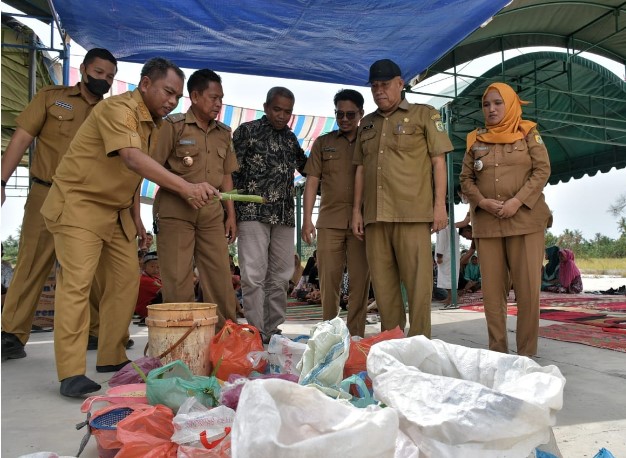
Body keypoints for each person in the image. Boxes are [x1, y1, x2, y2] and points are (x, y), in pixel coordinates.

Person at [40, 57, 219, 397]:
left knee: (125, 284)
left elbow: (135, 174)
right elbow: (131, 158)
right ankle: (70, 372)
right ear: (145, 83)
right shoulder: (118, 110)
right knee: (76, 286)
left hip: (117, 213)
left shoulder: (154, 124)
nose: (171, 100)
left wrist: (136, 218)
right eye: (167, 91)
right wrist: (186, 187)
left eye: (177, 96)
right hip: (80, 204)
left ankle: (111, 356)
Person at [1, 48, 118, 361]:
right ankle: (11, 334)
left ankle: (96, 333)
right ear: (82, 69)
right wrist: (1, 181)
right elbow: (22, 137)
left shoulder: (113, 113)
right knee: (30, 263)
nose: (103, 81)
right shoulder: (51, 98)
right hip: (47, 192)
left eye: (110, 77)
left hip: (90, 202)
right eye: (98, 73)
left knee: (92, 270)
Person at [352, 59, 453, 337]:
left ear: (400, 83)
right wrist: (356, 212)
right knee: (384, 290)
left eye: (384, 85)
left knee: (419, 288)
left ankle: (419, 345)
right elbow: (360, 169)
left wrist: (439, 206)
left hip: (413, 214)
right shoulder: (367, 124)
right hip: (375, 216)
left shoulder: (424, 115)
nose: (378, 91)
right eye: (374, 86)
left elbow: (438, 163)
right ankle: (393, 344)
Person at [460, 82, 552, 357]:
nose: (491, 109)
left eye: (498, 103)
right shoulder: (474, 140)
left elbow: (542, 169)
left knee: (527, 293)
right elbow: (466, 179)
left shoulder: (528, 133)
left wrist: (517, 201)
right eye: (487, 104)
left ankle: (526, 356)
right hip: (488, 225)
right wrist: (481, 201)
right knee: (492, 295)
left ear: (510, 104)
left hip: (525, 223)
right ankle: (497, 355)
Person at [151, 69, 239, 329]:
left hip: (212, 212)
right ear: (195, 96)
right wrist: (183, 189)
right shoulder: (173, 125)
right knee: (178, 277)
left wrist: (230, 214)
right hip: (176, 209)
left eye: (221, 98)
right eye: (213, 98)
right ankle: (182, 337)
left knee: (220, 275)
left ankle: (226, 336)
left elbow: (226, 176)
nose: (219, 104)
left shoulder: (224, 132)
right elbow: (152, 168)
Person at [232, 86, 307, 344]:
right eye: (277, 109)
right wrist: (228, 214)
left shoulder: (290, 138)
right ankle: (255, 331)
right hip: (252, 212)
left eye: (287, 112)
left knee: (281, 276)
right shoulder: (246, 132)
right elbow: (230, 173)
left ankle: (273, 330)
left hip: (284, 215)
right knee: (253, 275)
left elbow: (308, 167)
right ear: (266, 107)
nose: (282, 116)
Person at [302, 89, 371, 337]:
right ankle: (329, 334)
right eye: (340, 114)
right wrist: (306, 219)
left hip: (361, 222)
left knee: (359, 283)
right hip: (329, 222)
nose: (344, 119)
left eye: (350, 114)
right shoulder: (324, 142)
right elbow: (312, 181)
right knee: (328, 281)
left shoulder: (370, 140)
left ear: (361, 114)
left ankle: (355, 335)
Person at [135, 251, 162, 324]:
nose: (156, 269)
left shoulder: (155, 278)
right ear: (144, 267)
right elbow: (165, 290)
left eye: (158, 267)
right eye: (152, 266)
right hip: (145, 309)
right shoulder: (145, 280)